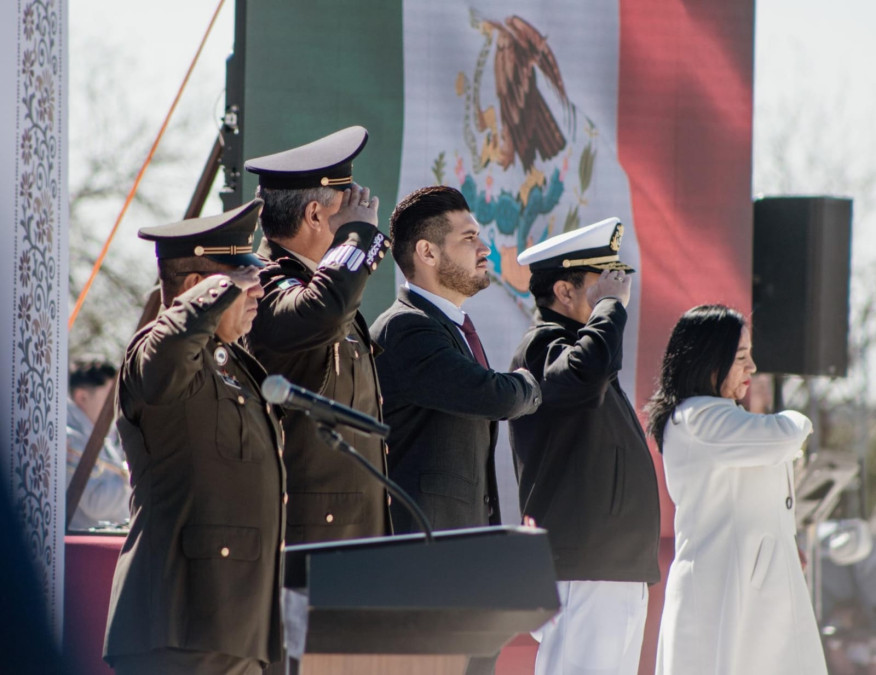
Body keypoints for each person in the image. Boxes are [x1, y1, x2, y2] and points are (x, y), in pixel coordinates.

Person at [103, 199, 286, 675]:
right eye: (243, 284)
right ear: (192, 288)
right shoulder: (154, 354)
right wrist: (218, 292)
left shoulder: (233, 364)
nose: (255, 295)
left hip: (236, 624)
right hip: (179, 621)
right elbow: (169, 348)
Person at [508, 218, 661, 675]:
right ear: (564, 290)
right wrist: (610, 308)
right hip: (586, 561)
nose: (617, 289)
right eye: (603, 281)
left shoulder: (583, 348)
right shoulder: (542, 346)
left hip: (612, 563)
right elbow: (582, 377)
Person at [646, 304, 827, 675]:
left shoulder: (715, 418)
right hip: (728, 595)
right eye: (741, 356)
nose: (753, 367)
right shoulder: (700, 417)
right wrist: (799, 419)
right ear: (710, 360)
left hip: (742, 592)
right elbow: (783, 436)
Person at [245, 126, 392, 546]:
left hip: (353, 539)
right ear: (314, 215)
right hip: (308, 546)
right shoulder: (262, 284)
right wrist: (356, 237)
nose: (365, 213)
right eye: (352, 207)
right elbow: (320, 314)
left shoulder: (319, 285)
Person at [66, 359, 131, 530]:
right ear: (82, 397)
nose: (117, 404)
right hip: (82, 550)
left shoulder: (103, 436)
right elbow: (96, 503)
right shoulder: (68, 440)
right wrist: (132, 474)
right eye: (110, 398)